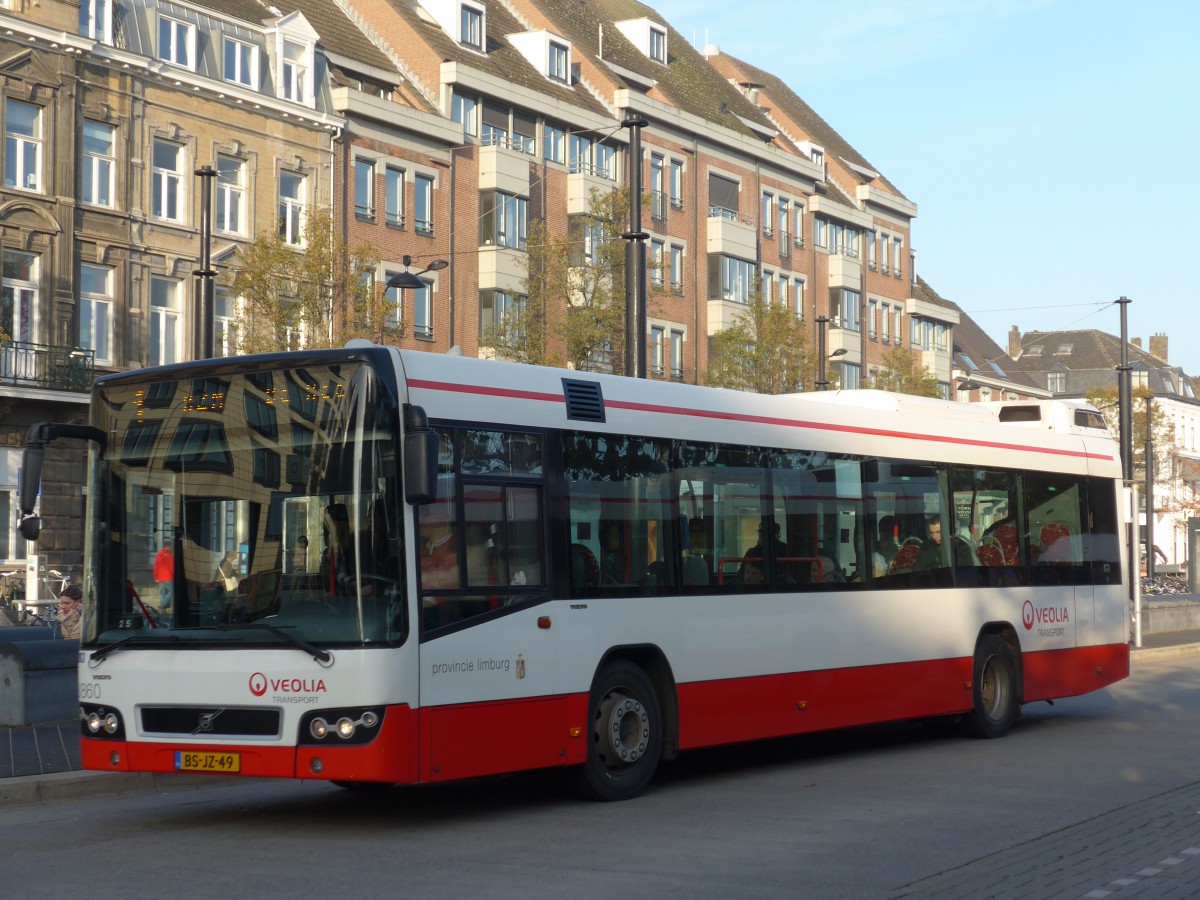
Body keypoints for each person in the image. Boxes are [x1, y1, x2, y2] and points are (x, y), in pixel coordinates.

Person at [153, 541, 174, 610]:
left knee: (163, 593)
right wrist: (173, 575)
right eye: (170, 546)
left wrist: (155, 576)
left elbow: (156, 566)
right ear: (167, 546)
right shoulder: (169, 555)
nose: (171, 548)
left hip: (160, 577)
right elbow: (172, 567)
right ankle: (163, 604)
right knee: (172, 591)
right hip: (168, 577)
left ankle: (163, 608)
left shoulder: (159, 554)